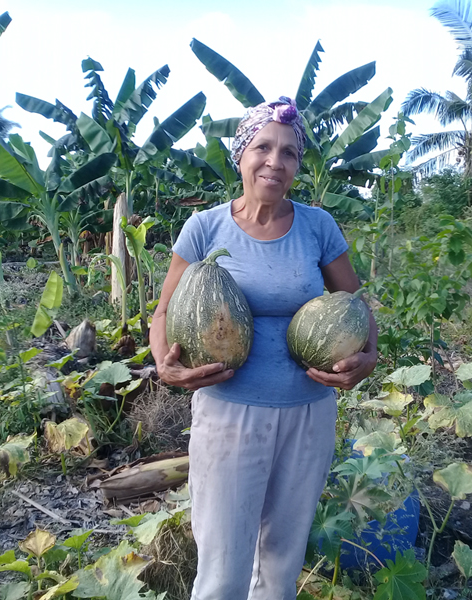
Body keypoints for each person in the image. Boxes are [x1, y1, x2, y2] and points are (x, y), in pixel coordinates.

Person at [150, 96, 378, 600]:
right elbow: (163, 313)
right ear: (241, 155)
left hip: (309, 413)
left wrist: (368, 356)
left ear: (298, 165)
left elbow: (357, 303)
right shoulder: (206, 228)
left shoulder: (318, 226)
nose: (275, 162)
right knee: (223, 569)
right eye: (263, 148)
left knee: (281, 564)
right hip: (229, 412)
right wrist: (165, 365)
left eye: (289, 153)